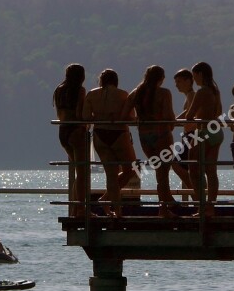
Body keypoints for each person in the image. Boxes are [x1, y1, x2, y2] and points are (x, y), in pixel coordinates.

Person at [121, 65, 179, 218]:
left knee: (158, 171)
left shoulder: (136, 93)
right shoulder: (164, 93)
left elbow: (124, 115)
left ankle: (166, 205)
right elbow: (169, 116)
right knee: (163, 174)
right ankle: (164, 209)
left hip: (144, 136)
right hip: (162, 134)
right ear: (161, 78)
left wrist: (139, 120)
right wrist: (171, 125)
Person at [83, 69, 138, 217]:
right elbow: (130, 117)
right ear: (116, 80)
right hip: (119, 133)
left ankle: (115, 209)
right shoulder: (123, 94)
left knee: (111, 175)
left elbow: (86, 117)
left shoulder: (91, 95)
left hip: (100, 134)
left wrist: (100, 118)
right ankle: (108, 201)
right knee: (131, 168)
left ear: (101, 81)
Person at [185, 62, 223, 217]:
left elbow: (189, 115)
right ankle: (210, 207)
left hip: (204, 132)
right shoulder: (215, 91)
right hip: (216, 131)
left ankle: (201, 206)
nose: (194, 80)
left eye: (194, 76)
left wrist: (197, 116)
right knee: (211, 171)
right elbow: (219, 111)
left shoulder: (202, 92)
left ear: (200, 74)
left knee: (193, 169)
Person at [54, 64, 90, 217]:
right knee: (82, 173)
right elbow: (80, 113)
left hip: (63, 131)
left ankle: (76, 208)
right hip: (76, 130)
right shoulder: (80, 90)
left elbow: (59, 114)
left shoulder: (59, 90)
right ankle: (80, 209)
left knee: (78, 171)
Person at [172, 69, 196, 193]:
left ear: (188, 81)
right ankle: (196, 194)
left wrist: (174, 121)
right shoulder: (189, 96)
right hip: (188, 135)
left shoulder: (192, 95)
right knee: (188, 167)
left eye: (179, 82)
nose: (176, 85)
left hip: (192, 135)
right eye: (176, 82)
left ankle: (195, 193)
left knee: (176, 164)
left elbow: (190, 113)